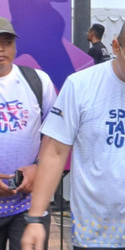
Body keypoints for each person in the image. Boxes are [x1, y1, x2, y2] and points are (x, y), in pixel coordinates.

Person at [21, 15, 125, 249]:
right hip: (95, 232)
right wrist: (36, 217)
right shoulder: (80, 85)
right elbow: (55, 153)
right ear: (115, 46)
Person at [0, 17, 57, 250]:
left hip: (28, 204)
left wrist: (38, 167)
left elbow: (54, 134)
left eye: (7, 42)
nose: (1, 48)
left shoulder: (36, 81)